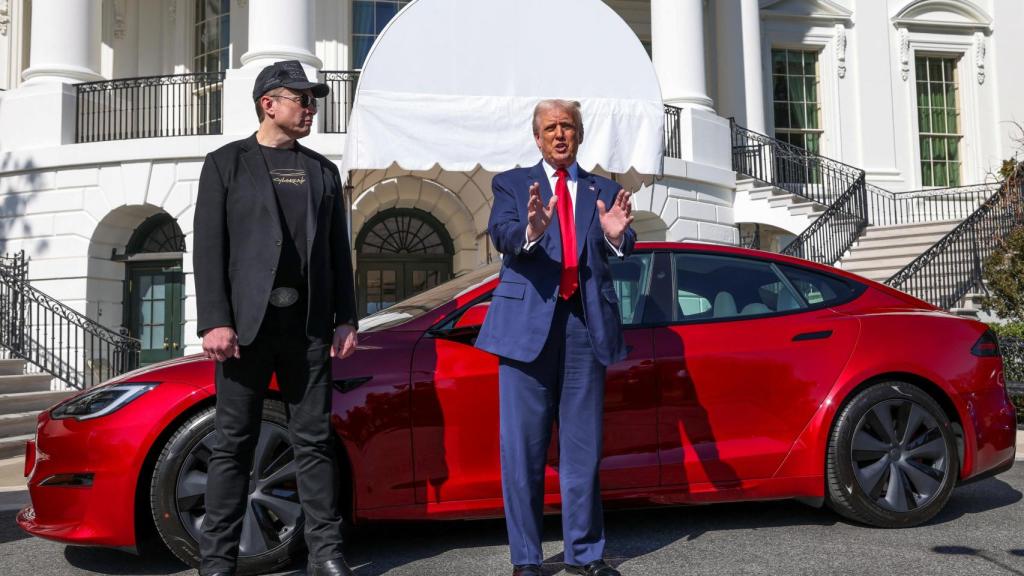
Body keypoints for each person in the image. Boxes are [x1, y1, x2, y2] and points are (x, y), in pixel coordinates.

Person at [193, 59, 358, 576]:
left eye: (313, 100)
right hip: (244, 329)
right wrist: (214, 320)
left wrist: (346, 317)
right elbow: (208, 248)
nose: (310, 109)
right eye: (301, 99)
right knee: (232, 444)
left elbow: (337, 251)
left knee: (313, 443)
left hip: (308, 327)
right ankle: (217, 559)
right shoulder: (225, 164)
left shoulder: (322, 171)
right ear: (269, 103)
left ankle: (327, 554)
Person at [476, 99, 635, 576]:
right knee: (522, 451)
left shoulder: (603, 188)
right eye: (551, 128)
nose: (560, 134)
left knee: (582, 450)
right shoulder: (510, 184)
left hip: (585, 329)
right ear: (538, 137)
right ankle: (526, 560)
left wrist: (612, 236)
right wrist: (530, 231)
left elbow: (624, 241)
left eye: (568, 126)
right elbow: (501, 234)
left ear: (579, 135)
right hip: (526, 333)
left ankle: (585, 554)